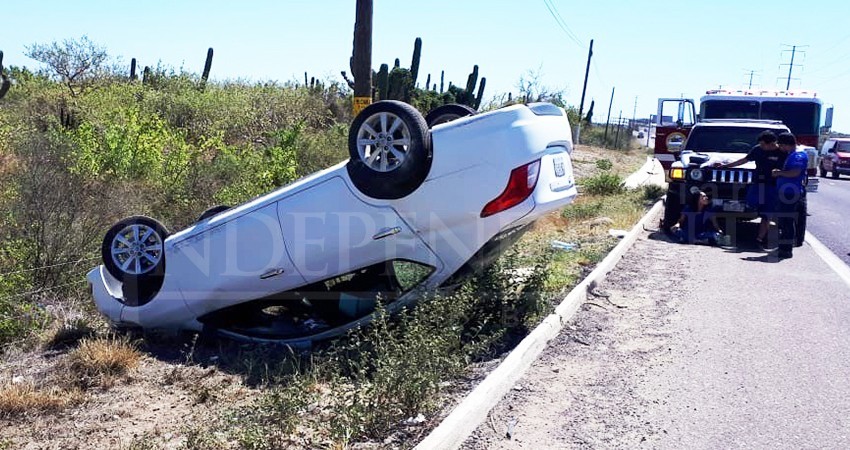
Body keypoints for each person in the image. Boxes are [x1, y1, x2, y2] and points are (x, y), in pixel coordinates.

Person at [714, 130, 785, 247]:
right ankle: (749, 217)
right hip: (757, 184)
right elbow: (744, 160)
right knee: (749, 204)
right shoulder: (757, 149)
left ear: (772, 143)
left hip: (773, 186)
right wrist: (726, 166)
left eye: (763, 144)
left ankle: (759, 239)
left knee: (766, 215)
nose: (761, 146)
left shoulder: (781, 153)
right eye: (760, 144)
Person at [771, 132, 808, 259]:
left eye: (780, 145)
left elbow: (795, 172)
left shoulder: (798, 156)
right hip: (786, 191)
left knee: (787, 220)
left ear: (786, 144)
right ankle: (784, 247)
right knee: (783, 220)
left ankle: (786, 250)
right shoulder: (791, 154)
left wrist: (779, 173)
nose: (780, 148)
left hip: (790, 193)